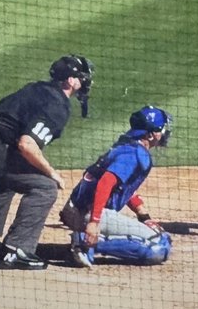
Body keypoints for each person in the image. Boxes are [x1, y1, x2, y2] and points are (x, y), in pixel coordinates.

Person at [0, 54, 94, 270]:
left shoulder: (37, 88)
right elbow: (26, 144)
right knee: (45, 187)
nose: (85, 82)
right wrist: (52, 173)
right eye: (82, 77)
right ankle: (15, 251)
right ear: (70, 80)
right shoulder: (58, 105)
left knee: (11, 174)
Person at [58, 106, 173, 268]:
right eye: (161, 129)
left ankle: (87, 242)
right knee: (159, 245)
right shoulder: (134, 154)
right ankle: (85, 243)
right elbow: (106, 182)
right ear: (150, 134)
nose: (165, 133)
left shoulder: (127, 145)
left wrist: (144, 217)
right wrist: (94, 222)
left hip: (77, 209)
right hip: (89, 214)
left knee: (160, 237)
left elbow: (123, 187)